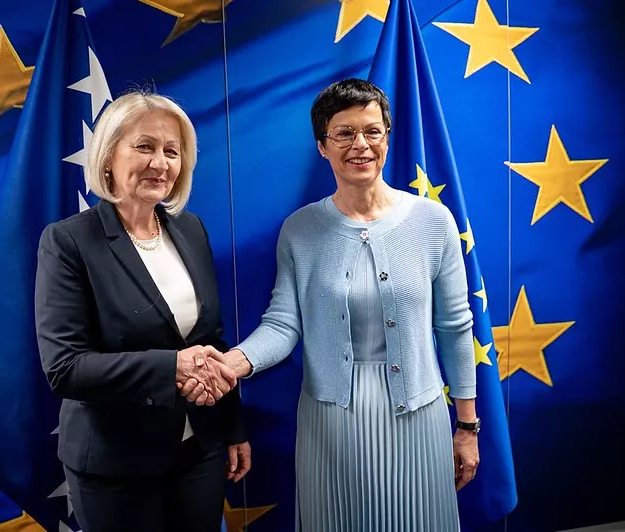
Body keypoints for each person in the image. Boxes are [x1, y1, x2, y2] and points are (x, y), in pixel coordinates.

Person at [189, 78, 480, 531]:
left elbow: (456, 327)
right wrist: (232, 364)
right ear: (322, 146)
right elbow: (283, 324)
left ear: (387, 138)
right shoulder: (299, 230)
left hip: (418, 417)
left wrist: (467, 427)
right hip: (330, 425)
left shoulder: (434, 222)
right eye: (344, 133)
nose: (360, 145)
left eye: (372, 131)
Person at [34, 90, 251, 532]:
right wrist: (172, 367)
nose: (160, 163)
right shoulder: (68, 241)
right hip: (115, 465)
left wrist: (232, 427)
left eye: (172, 151)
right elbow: (65, 368)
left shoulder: (190, 228)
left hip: (201, 451)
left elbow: (211, 341)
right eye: (145, 146)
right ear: (108, 156)